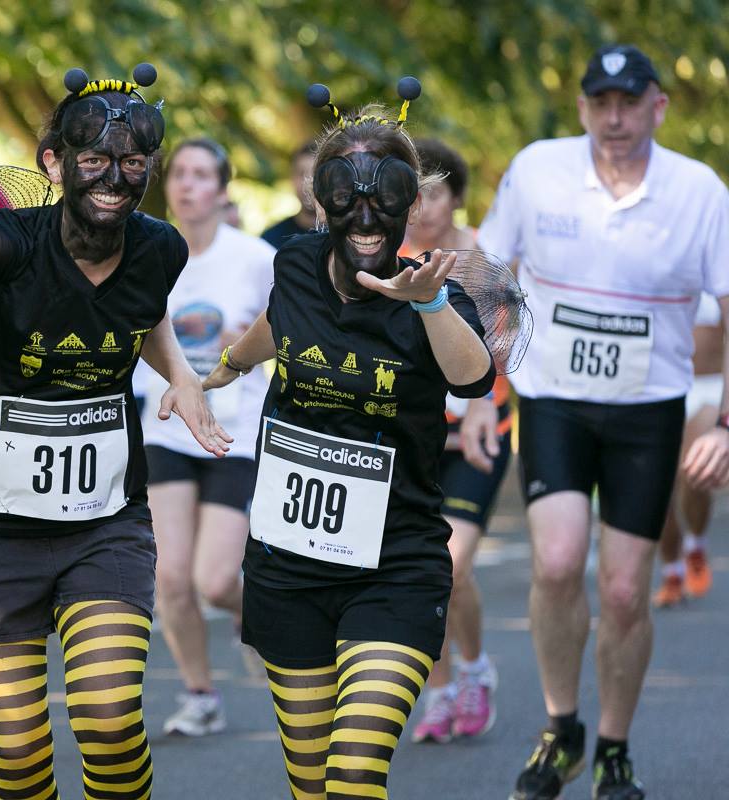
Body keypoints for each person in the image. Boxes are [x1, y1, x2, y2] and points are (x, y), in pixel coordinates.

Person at [0, 64, 231, 800]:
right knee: (18, 754)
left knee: (107, 717)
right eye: (94, 160)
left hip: (104, 522)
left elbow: (142, 311)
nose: (114, 179)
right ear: (54, 163)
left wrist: (182, 374)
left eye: (133, 163)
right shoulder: (7, 240)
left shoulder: (161, 248)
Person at [205, 84, 497, 800]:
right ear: (319, 198)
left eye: (384, 197)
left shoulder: (435, 291)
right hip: (286, 565)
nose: (365, 216)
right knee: (312, 782)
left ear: (410, 203)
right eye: (346, 195)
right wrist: (229, 365)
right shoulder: (294, 264)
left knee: (357, 768)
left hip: (394, 565)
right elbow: (279, 321)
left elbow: (474, 378)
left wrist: (428, 303)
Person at [478, 44, 729, 800]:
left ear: (658, 107)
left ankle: (614, 747)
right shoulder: (538, 168)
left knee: (623, 591)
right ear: (583, 108)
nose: (615, 118)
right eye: (601, 103)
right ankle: (562, 730)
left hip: (648, 408)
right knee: (557, 563)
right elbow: (488, 272)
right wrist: (483, 383)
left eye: (630, 102)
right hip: (553, 396)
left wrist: (723, 423)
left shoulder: (700, 190)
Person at [140, 138, 274, 736]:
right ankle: (200, 694)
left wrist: (254, 342)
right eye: (180, 174)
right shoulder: (148, 250)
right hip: (165, 428)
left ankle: (260, 619)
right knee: (170, 578)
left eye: (201, 175)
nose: (188, 184)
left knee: (216, 581)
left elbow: (296, 332)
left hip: (232, 433)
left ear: (222, 190)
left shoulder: (256, 258)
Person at [401, 139, 508, 744]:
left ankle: (475, 669)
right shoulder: (389, 258)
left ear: (457, 198)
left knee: (449, 563)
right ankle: (439, 692)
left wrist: (480, 406)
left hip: (477, 434)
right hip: (414, 438)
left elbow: (504, 350)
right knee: (420, 570)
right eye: (412, 194)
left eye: (435, 192)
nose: (421, 206)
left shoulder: (486, 261)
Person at [653, 292, 723, 607]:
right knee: (658, 487)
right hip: (666, 388)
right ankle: (672, 572)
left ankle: (695, 544)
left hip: (711, 388)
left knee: (693, 469)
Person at [261, 140, 318, 248]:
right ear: (292, 179)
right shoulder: (270, 240)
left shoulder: (347, 237)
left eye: (316, 174)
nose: (309, 183)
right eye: (302, 174)